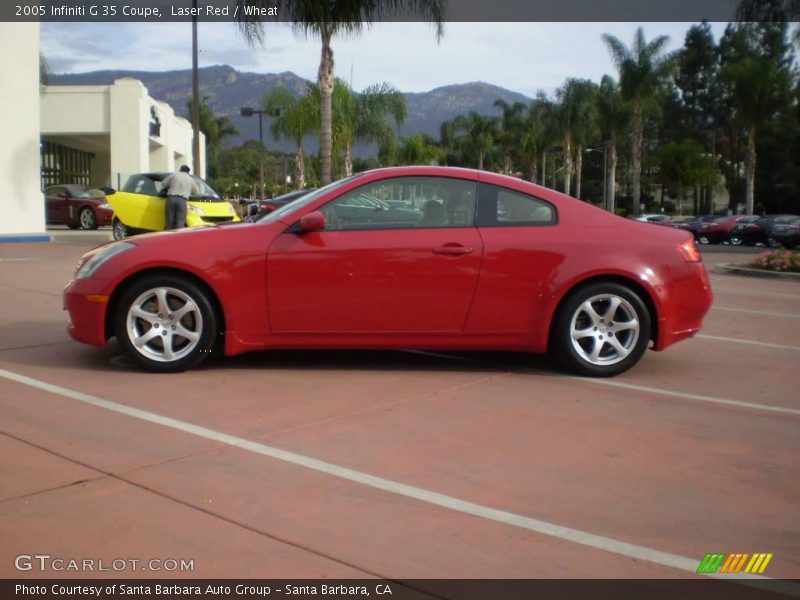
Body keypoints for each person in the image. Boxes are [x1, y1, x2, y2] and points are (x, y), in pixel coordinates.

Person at [161, 165, 199, 230]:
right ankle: (178, 234)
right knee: (180, 222)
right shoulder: (190, 179)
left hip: (171, 199)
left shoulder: (173, 175)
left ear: (180, 170)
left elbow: (163, 184)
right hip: (182, 200)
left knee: (169, 220)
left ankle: (168, 234)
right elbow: (196, 192)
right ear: (188, 172)